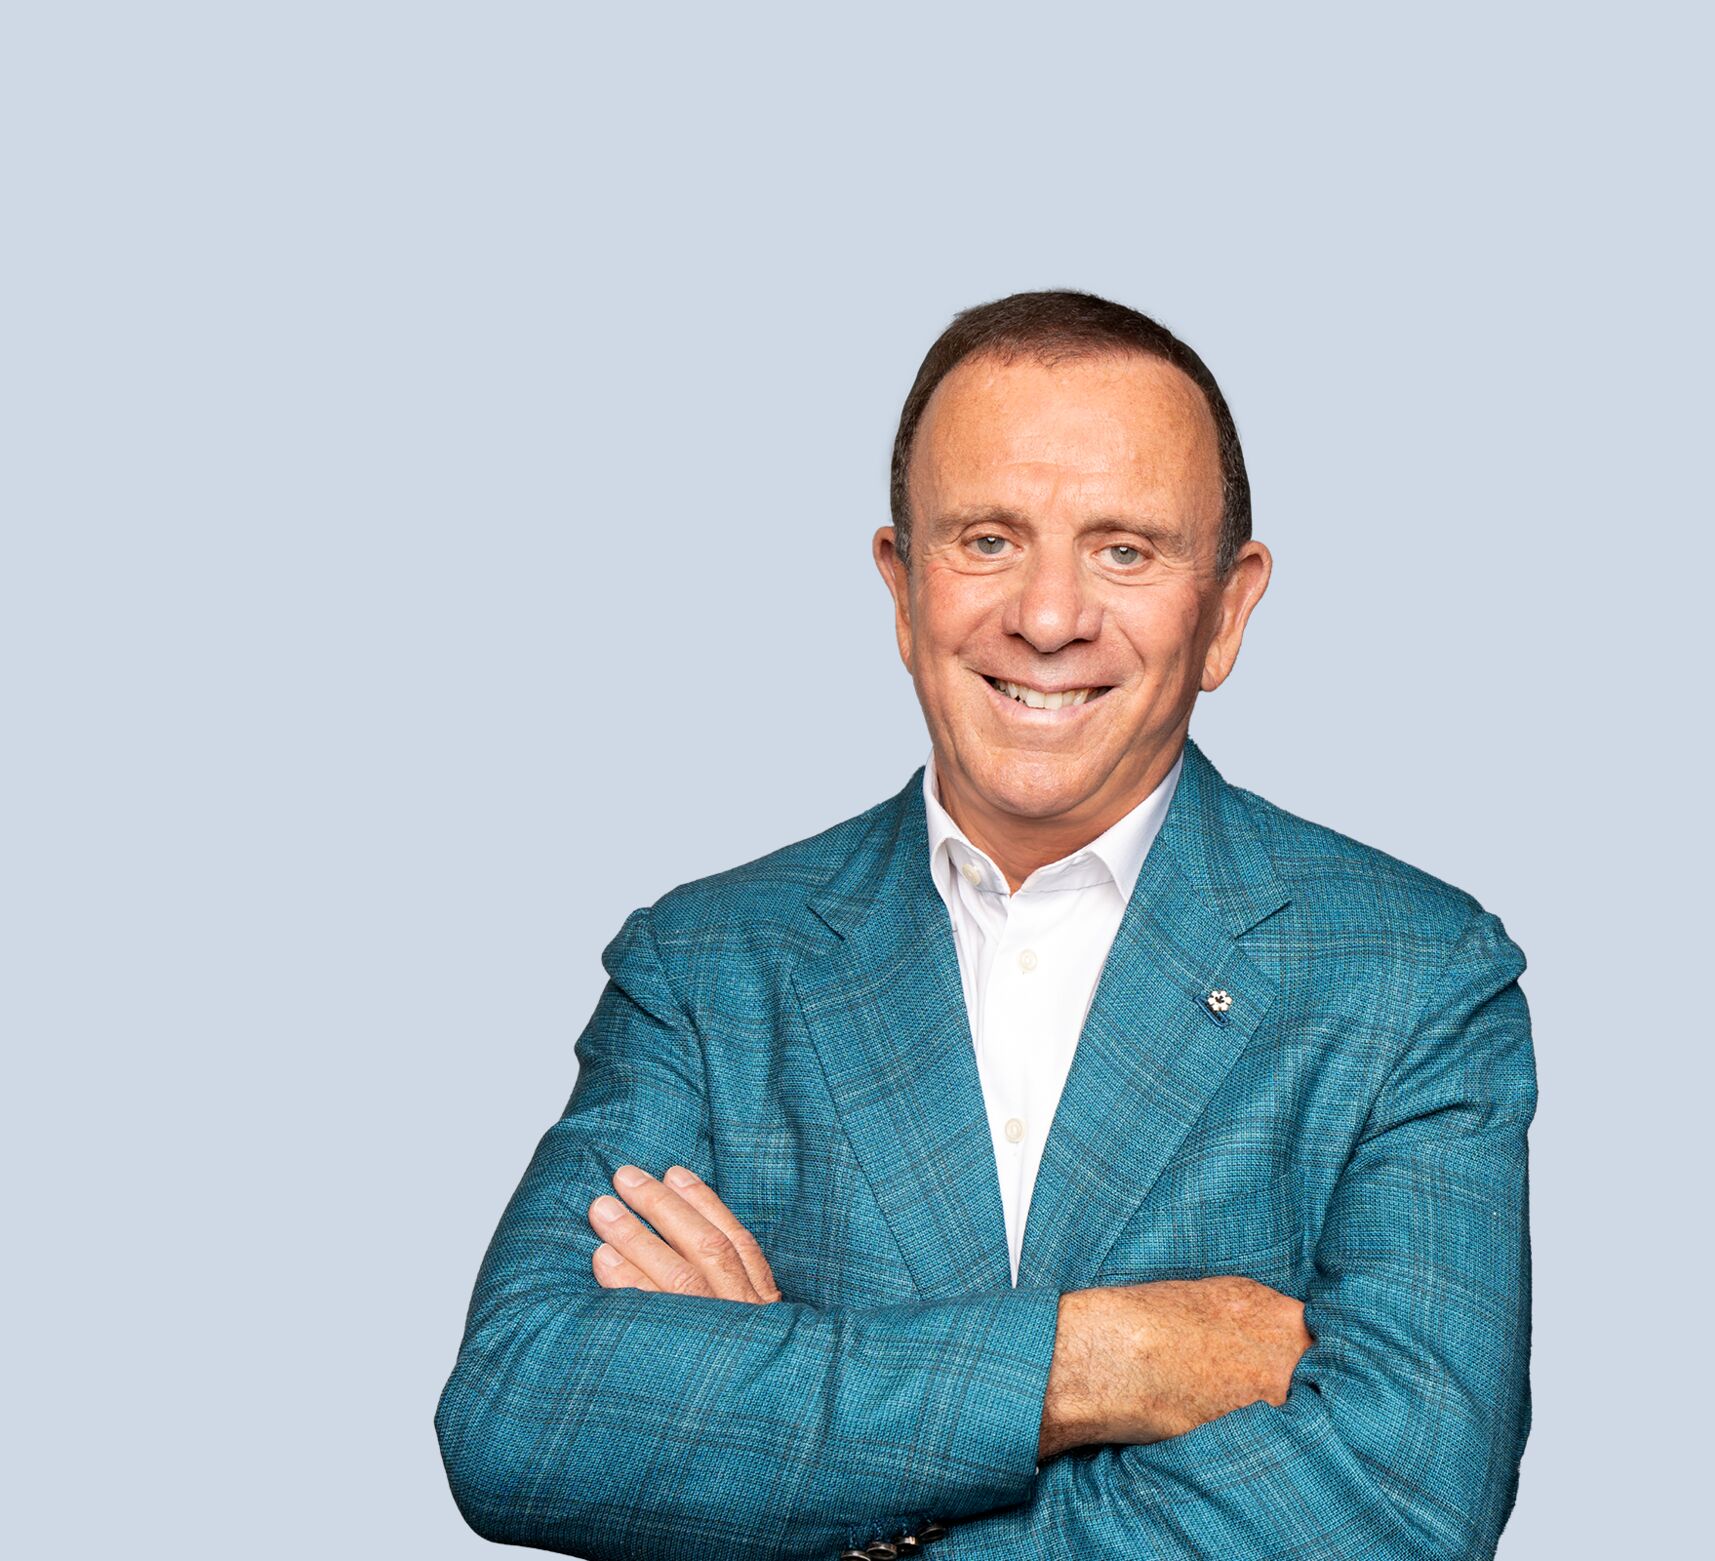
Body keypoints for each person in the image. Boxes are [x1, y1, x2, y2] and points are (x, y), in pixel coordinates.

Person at [434, 289, 1537, 1560]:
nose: (1050, 616)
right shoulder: (705, 971)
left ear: (1227, 611)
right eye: (987, 541)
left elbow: (1396, 1513)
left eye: (1124, 549)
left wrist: (819, 1499)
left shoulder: (1413, 977)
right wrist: (1100, 1356)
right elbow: (522, 1408)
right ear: (901, 588)